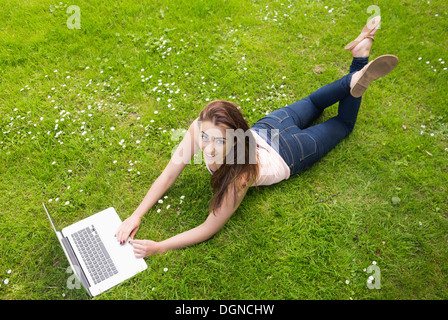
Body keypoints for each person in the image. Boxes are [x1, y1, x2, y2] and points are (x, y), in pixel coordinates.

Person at [115, 16, 398, 258]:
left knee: (342, 124)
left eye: (220, 141)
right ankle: (357, 62)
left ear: (236, 138)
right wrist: (136, 214)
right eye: (205, 137)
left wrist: (160, 247)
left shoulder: (239, 175)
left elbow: (209, 227)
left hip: (290, 152)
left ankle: (359, 65)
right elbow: (168, 174)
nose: (209, 148)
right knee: (313, 103)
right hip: (271, 126)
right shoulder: (200, 129)